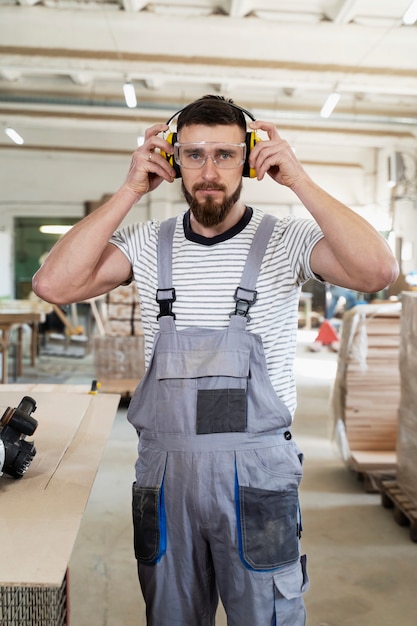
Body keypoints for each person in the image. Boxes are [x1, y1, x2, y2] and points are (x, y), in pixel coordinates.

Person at [32, 95, 398, 626]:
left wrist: (298, 179)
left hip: (257, 475)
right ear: (172, 160)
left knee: (266, 616)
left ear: (250, 161)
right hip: (165, 474)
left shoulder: (288, 239)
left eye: (225, 155)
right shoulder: (145, 243)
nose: (209, 171)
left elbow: (376, 271)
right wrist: (130, 190)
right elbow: (52, 284)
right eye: (195, 154)